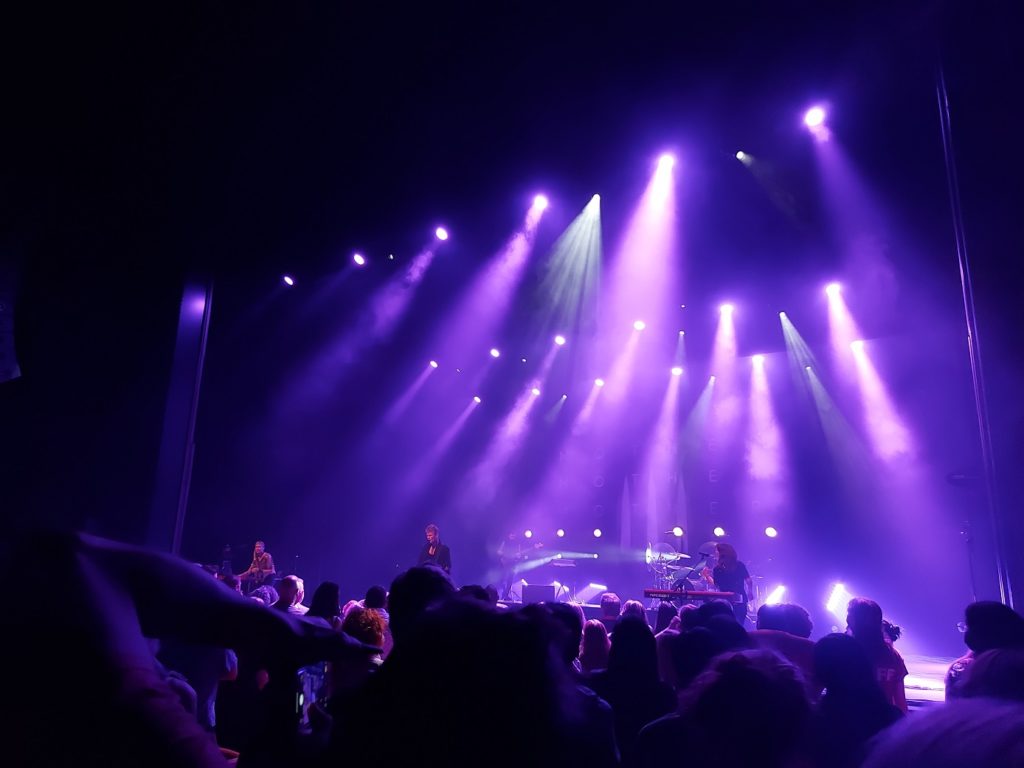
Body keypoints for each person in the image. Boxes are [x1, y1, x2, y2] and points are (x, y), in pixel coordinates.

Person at [847, 597, 907, 712]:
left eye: (850, 614)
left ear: (853, 620)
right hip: (882, 724)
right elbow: (900, 702)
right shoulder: (894, 656)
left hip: (848, 722)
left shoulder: (843, 650)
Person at [706, 542, 752, 624]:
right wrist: (750, 592)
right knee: (739, 623)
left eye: (716, 551)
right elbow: (748, 580)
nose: (715, 553)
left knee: (727, 623)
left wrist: (706, 576)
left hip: (726, 600)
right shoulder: (738, 565)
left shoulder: (718, 569)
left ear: (722, 553)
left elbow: (716, 585)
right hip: (738, 598)